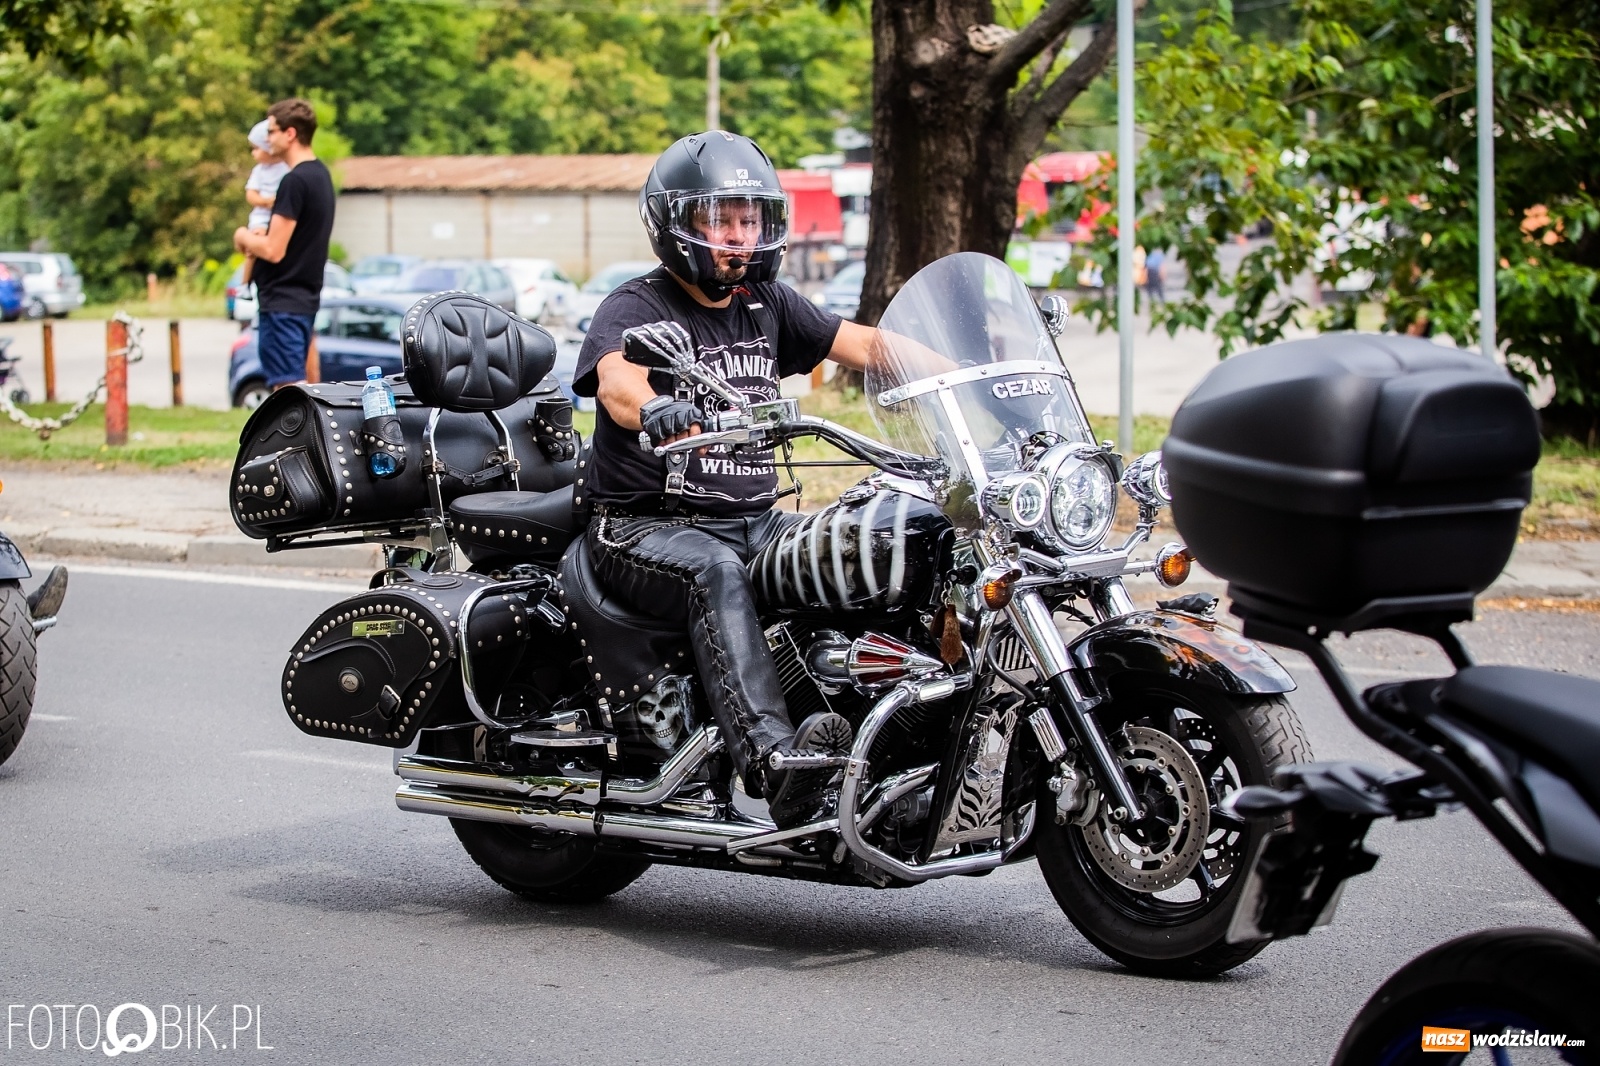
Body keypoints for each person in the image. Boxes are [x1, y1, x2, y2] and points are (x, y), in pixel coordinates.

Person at [574, 131, 882, 829]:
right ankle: (775, 764)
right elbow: (616, 379)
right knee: (716, 570)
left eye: (749, 220)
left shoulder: (765, 300)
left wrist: (968, 364)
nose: (739, 237)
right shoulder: (636, 306)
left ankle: (876, 734)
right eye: (722, 220)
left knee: (852, 547)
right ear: (676, 223)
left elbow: (861, 343)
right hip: (642, 527)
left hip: (756, 519)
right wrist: (653, 406)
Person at [232, 98, 335, 389]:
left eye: (273, 131)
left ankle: (302, 438)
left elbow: (273, 250)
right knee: (304, 389)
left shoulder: (294, 181)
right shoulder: (321, 176)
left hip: (282, 303)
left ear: (290, 134)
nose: (267, 138)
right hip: (304, 299)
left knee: (288, 393)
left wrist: (242, 235)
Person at [239, 119, 288, 289]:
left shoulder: (287, 168)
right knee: (254, 247)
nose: (253, 154)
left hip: (280, 216)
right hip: (261, 216)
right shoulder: (259, 171)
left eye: (256, 149)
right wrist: (265, 202)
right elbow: (251, 194)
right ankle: (245, 284)